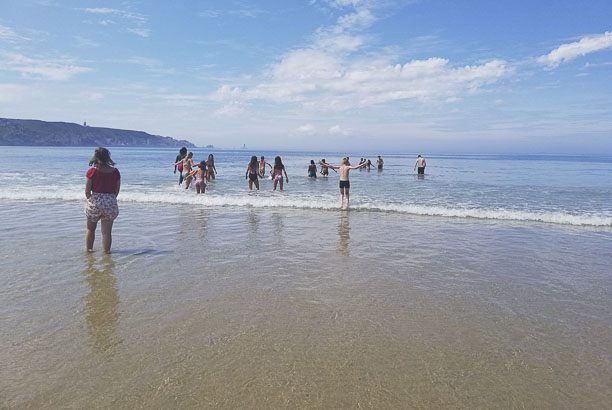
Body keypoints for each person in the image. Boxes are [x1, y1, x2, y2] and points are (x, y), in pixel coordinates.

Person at [85, 147, 120, 253]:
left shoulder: (92, 172)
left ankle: (89, 251)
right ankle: (106, 253)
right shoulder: (115, 172)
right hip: (110, 202)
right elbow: (116, 191)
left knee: (90, 229)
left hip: (95, 202)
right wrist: (109, 199)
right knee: (106, 233)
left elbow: (87, 191)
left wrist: (91, 200)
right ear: (108, 157)